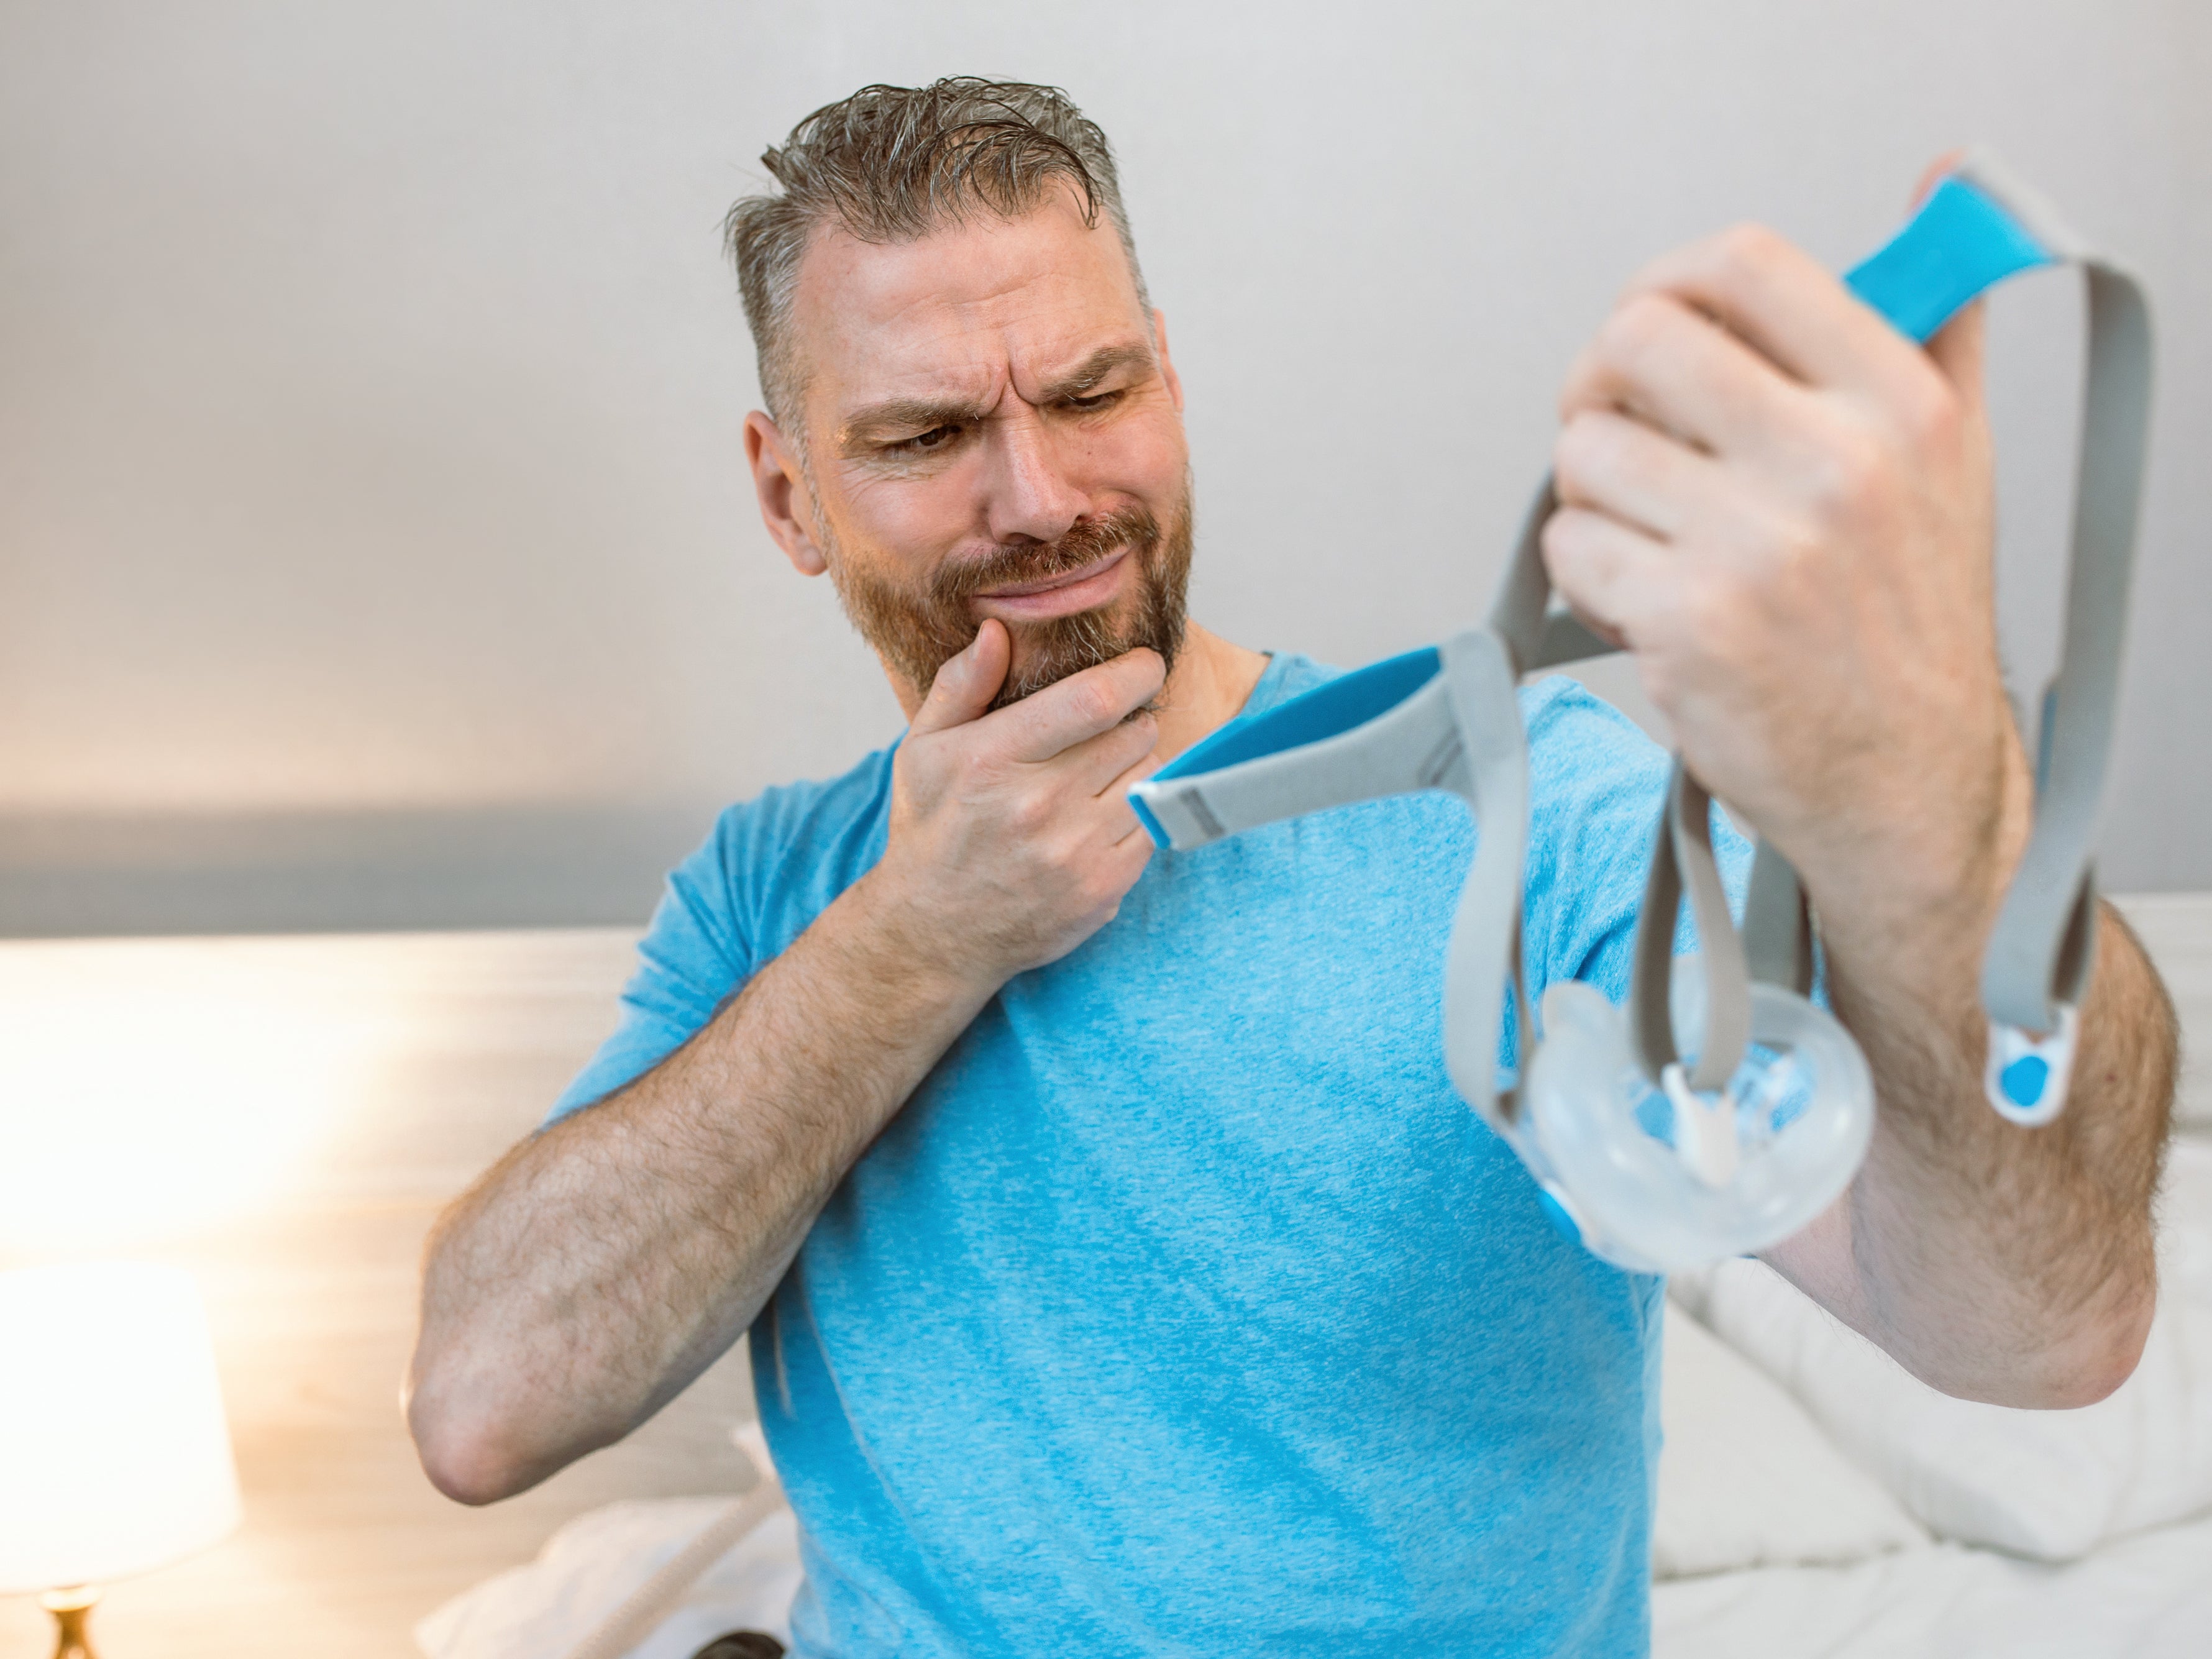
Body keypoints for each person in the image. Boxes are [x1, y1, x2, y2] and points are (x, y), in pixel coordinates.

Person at [405, 79, 2175, 1657]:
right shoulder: (773, 894)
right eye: (927, 437)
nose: (1036, 496)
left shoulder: (1528, 806)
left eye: (1092, 393)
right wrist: (912, 943)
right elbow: (482, 1410)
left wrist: (1931, 795)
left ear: (1169, 385)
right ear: (789, 494)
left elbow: (2045, 1328)